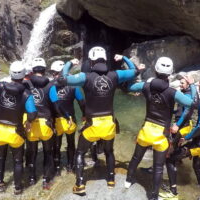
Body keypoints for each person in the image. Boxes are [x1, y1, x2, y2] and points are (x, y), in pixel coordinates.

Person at [59, 46, 144, 195]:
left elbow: (62, 78)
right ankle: (111, 180)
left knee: (79, 153)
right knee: (109, 152)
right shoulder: (115, 75)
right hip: (109, 123)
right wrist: (123, 58)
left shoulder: (85, 76)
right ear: (105, 59)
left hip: (92, 124)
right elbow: (136, 71)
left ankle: (79, 184)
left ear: (91, 62)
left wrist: (70, 64)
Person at [125, 57, 196, 200]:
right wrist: (192, 85)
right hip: (161, 134)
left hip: (146, 130)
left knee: (135, 157)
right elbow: (191, 103)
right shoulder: (173, 92)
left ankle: (128, 181)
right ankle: (154, 196)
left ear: (155, 70)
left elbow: (129, 87)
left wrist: (136, 72)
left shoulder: (146, 86)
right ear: (170, 73)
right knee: (158, 168)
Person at [0, 61, 37, 195]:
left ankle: (0, 184)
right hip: (16, 132)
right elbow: (33, 113)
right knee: (17, 161)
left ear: (10, 73)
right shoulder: (27, 94)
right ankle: (17, 188)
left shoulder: (0, 85)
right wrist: (28, 122)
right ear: (24, 75)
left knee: (0, 157)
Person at [161, 71, 200, 199]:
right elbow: (195, 103)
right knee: (197, 166)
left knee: (170, 159)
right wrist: (192, 85)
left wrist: (187, 137)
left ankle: (173, 193)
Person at [24, 57, 66, 190]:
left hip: (30, 123)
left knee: (32, 152)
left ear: (32, 70)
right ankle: (46, 180)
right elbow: (56, 105)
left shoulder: (25, 84)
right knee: (48, 153)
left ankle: (31, 178)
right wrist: (65, 116)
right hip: (46, 123)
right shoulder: (51, 86)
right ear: (44, 69)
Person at [50, 60, 85, 175]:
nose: (52, 75)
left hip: (56, 121)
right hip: (70, 120)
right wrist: (85, 115)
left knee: (56, 144)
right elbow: (82, 103)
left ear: (55, 73)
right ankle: (70, 166)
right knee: (71, 144)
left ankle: (57, 168)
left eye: (53, 72)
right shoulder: (74, 87)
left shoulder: (50, 86)